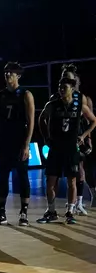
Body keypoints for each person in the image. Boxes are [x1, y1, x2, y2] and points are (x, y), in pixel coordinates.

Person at [37, 78, 96, 225]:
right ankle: (51, 211)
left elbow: (93, 121)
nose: (61, 90)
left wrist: (83, 136)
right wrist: (46, 138)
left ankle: (70, 211)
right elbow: (41, 119)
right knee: (50, 181)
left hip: (71, 148)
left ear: (72, 89)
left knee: (72, 182)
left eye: (64, 87)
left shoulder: (79, 106)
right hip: (55, 147)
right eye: (59, 87)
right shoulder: (52, 104)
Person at [0, 62, 35, 226]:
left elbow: (31, 122)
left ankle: (24, 213)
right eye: (6, 72)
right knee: (2, 178)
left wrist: (27, 145)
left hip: (19, 141)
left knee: (22, 177)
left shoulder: (25, 94)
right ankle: (1, 213)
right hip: (4, 142)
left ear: (18, 76)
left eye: (11, 73)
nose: (7, 75)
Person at [58, 65, 94, 215]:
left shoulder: (82, 98)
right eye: (64, 76)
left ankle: (78, 202)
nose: (67, 79)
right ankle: (69, 203)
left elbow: (88, 120)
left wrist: (87, 138)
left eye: (69, 77)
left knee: (79, 169)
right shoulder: (58, 96)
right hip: (62, 139)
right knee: (65, 172)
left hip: (77, 139)